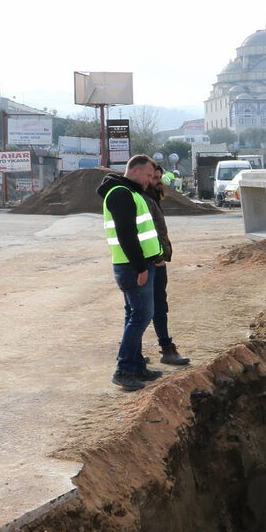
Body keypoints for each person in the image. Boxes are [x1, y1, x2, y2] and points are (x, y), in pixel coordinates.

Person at [98, 155, 164, 391]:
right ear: (135, 171)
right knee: (141, 316)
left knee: (135, 315)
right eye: (148, 175)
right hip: (132, 267)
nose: (150, 180)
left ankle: (136, 366)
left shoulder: (131, 192)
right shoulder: (120, 194)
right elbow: (127, 234)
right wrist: (140, 267)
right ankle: (124, 368)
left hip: (137, 265)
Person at [144, 164, 190, 367]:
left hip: (155, 260)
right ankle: (164, 349)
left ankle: (137, 351)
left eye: (159, 178)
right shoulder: (144, 200)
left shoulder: (152, 199)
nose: (158, 182)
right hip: (151, 262)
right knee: (150, 308)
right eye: (154, 177)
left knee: (150, 308)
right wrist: (157, 258)